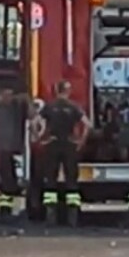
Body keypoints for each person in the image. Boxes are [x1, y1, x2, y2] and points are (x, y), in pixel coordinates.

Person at [39, 80, 90, 226]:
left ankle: (51, 216)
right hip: (69, 145)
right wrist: (81, 141)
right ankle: (72, 217)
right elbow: (87, 124)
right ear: (68, 91)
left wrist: (40, 138)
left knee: (51, 179)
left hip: (53, 144)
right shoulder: (74, 107)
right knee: (71, 180)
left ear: (56, 90)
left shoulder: (49, 106)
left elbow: (35, 122)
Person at [0, 86, 28, 216]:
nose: (10, 98)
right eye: (7, 95)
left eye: (11, 95)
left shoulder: (14, 108)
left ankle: (6, 211)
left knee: (8, 182)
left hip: (9, 151)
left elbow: (27, 105)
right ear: (0, 94)